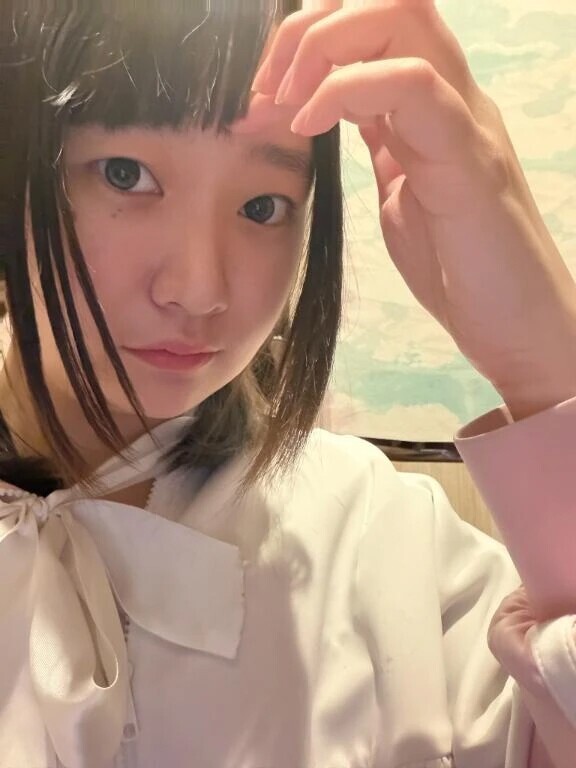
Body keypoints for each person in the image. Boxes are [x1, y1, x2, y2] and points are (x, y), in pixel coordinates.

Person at [0, 0, 575, 766]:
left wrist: (543, 362)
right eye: (126, 174)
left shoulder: (384, 542)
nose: (200, 289)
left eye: (262, 206)